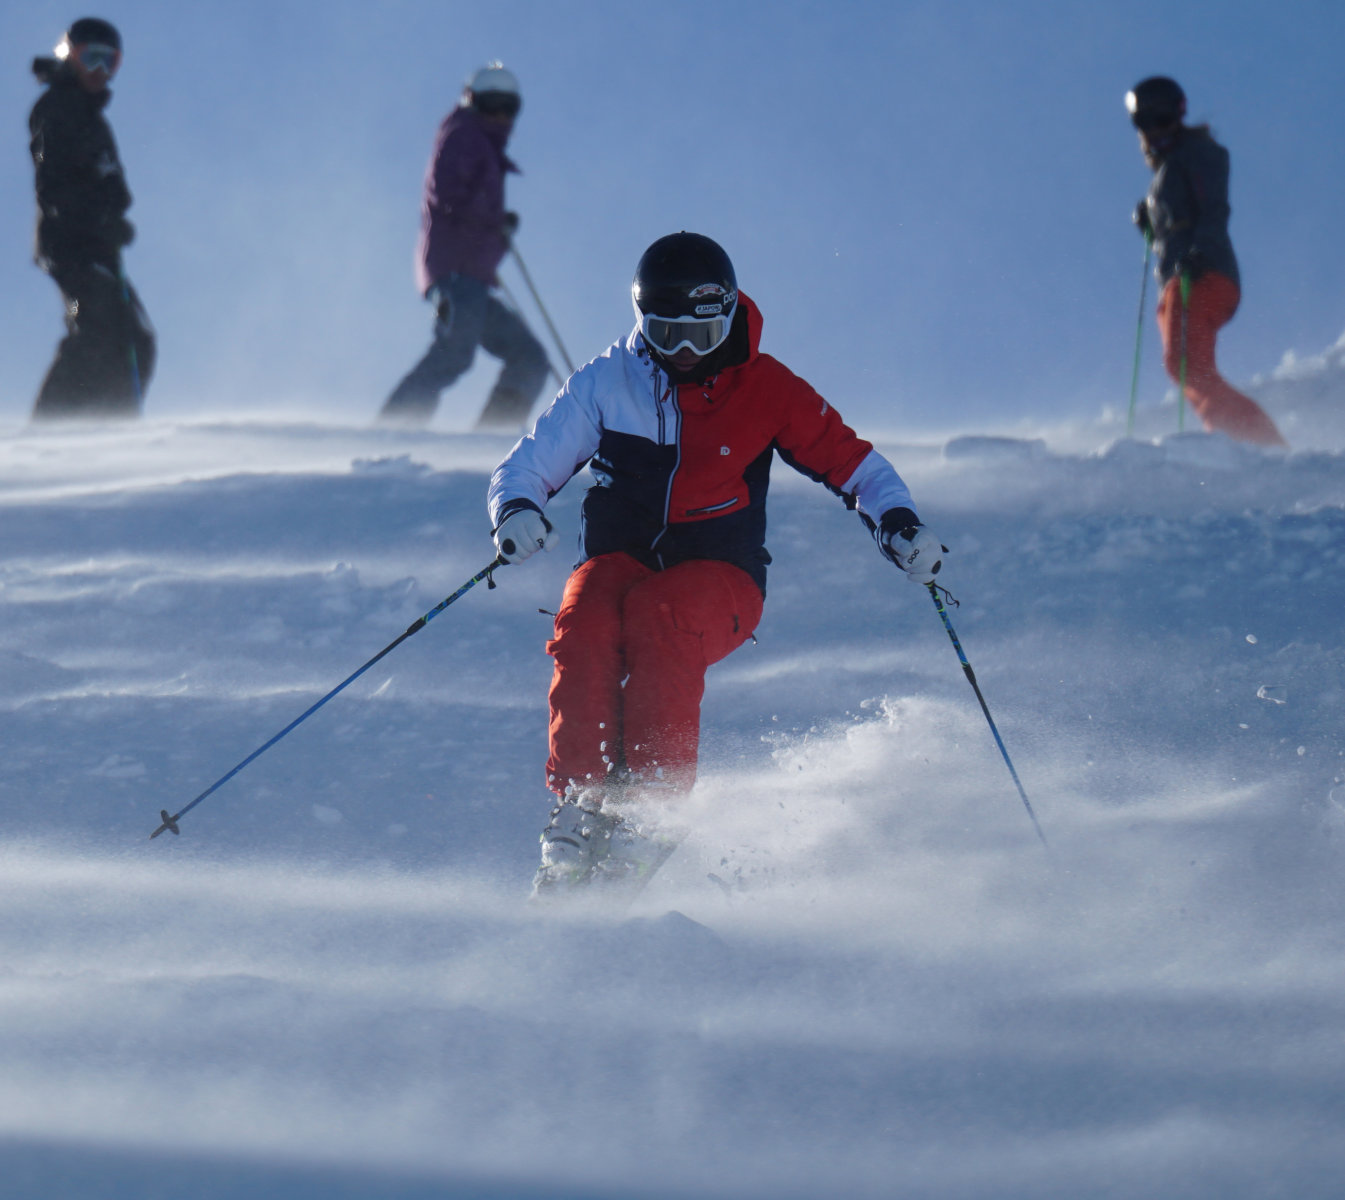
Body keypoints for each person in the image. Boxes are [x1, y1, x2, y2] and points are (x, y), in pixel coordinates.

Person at [487, 232, 945, 897]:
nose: (680, 353)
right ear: (641, 322)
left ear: (727, 317)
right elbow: (528, 464)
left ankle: (651, 805)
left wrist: (900, 524)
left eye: (699, 335)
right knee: (586, 615)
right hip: (622, 560)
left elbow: (855, 466)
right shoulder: (608, 381)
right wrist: (517, 509)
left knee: (660, 616)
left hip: (721, 578)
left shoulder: (765, 387)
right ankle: (582, 800)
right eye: (664, 333)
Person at [380, 62, 549, 431]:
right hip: (456, 273)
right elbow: (448, 196)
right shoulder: (463, 136)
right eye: (492, 105)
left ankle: (494, 433)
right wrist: (495, 223)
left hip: (472, 276)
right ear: (472, 102)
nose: (501, 115)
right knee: (455, 352)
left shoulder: (485, 147)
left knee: (530, 357)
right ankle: (393, 428)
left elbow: (467, 207)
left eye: (509, 107)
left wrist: (497, 230)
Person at [1126, 76, 1286, 448]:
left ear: (1177, 116)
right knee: (1181, 366)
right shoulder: (1166, 171)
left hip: (1203, 272)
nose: (1153, 130)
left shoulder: (1198, 153)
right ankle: (1241, 443)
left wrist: (1200, 250)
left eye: (1161, 119)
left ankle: (1258, 445)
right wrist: (1153, 218)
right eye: (1143, 123)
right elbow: (1179, 223)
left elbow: (1215, 208)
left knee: (1186, 363)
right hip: (1179, 276)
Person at [29, 17, 154, 420]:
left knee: (136, 338)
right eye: (90, 58)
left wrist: (114, 213)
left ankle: (108, 421)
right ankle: (49, 428)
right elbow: (54, 184)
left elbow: (109, 183)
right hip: (71, 243)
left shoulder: (89, 115)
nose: (100, 72)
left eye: (110, 62)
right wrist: (95, 217)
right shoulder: (58, 109)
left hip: (95, 242)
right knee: (98, 331)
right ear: (69, 56)